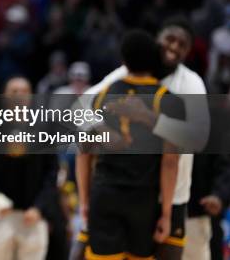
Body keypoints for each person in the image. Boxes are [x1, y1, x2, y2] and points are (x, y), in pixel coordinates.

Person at [74, 17, 210, 260]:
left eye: (183, 44)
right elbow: (78, 109)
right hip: (119, 189)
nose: (175, 47)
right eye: (170, 39)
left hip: (171, 194)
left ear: (188, 52)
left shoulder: (191, 83)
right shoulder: (125, 73)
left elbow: (198, 138)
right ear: (156, 40)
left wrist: (149, 118)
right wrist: (106, 133)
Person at [0, 77, 58, 260]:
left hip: (32, 215)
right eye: (14, 91)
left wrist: (40, 207)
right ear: (4, 96)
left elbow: (52, 173)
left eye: (24, 91)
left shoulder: (44, 129)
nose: (19, 95)